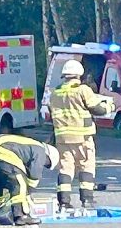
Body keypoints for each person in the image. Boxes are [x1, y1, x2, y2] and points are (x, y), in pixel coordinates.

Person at [48, 59, 115, 209]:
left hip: (62, 138)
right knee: (86, 166)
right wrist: (110, 106)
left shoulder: (55, 93)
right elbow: (97, 109)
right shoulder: (82, 90)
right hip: (82, 137)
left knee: (65, 169)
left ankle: (64, 202)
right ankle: (87, 200)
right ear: (79, 74)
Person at [0, 134, 60, 226]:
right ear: (49, 156)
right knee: (19, 184)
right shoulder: (41, 151)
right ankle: (21, 216)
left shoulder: (32, 145)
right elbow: (34, 174)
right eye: (47, 164)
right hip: (2, 150)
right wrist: (28, 191)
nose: (44, 165)